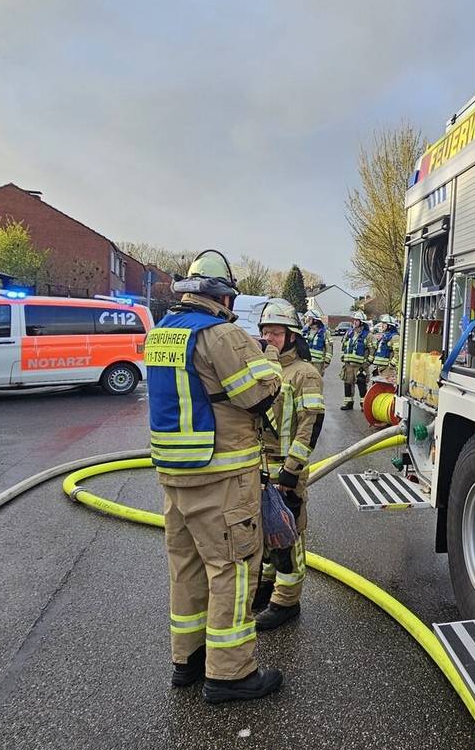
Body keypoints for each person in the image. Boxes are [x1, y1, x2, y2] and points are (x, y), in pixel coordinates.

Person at [145, 249, 284, 704]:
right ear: (224, 297)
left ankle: (188, 659)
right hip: (221, 475)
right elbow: (258, 396)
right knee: (232, 568)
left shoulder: (162, 332)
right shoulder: (222, 335)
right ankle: (230, 674)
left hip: (174, 476)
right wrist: (270, 357)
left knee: (185, 567)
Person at [253, 300, 325, 631]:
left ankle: (286, 602)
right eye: (266, 332)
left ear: (292, 336)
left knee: (288, 536)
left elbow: (310, 424)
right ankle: (267, 587)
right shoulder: (265, 370)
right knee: (267, 533)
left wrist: (292, 470)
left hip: (286, 470)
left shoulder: (304, 374)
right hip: (261, 467)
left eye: (276, 333)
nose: (269, 338)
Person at [339, 310, 372, 410]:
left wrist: (367, 363)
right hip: (348, 364)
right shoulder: (349, 333)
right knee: (347, 383)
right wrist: (343, 357)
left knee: (361, 383)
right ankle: (348, 403)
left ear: (362, 322)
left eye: (357, 320)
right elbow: (344, 345)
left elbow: (372, 350)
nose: (354, 322)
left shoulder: (368, 335)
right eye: (354, 320)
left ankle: (363, 404)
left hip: (360, 365)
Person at [304, 309, 333, 376]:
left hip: (318, 363)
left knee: (316, 380)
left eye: (310, 318)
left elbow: (329, 348)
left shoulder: (325, 333)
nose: (307, 320)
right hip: (306, 362)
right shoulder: (305, 331)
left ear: (315, 320)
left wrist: (327, 361)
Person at [370, 314, 399, 378]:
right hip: (379, 368)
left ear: (390, 326)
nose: (382, 325)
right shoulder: (384, 336)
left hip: (388, 370)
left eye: (384, 323)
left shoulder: (395, 337)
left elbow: (398, 354)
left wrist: (391, 366)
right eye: (382, 323)